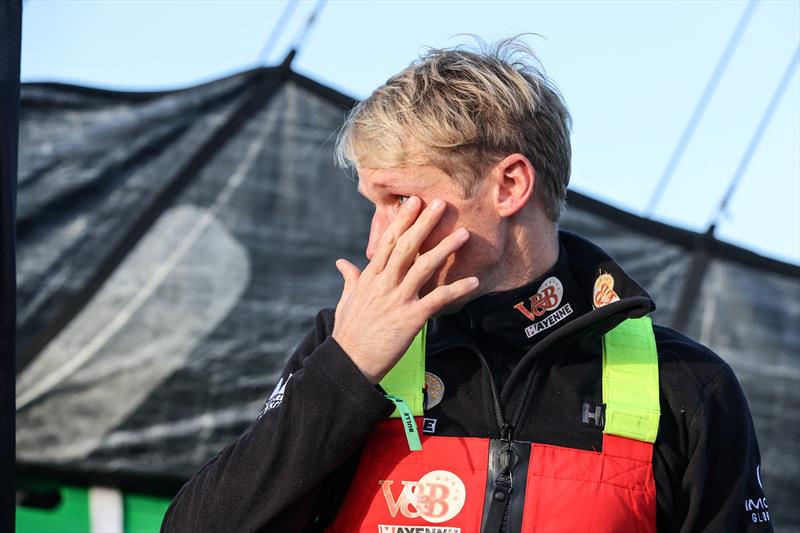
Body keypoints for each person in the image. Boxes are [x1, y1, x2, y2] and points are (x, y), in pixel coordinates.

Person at [161, 39, 773, 532]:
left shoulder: (686, 383)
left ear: (508, 187)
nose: (377, 242)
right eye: (373, 204)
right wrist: (345, 371)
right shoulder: (345, 343)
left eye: (401, 199)